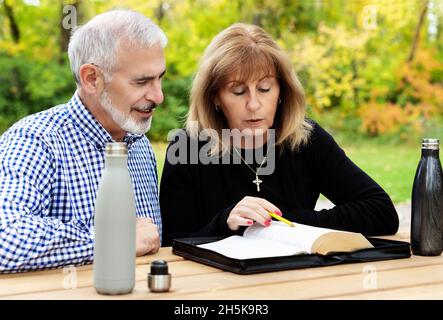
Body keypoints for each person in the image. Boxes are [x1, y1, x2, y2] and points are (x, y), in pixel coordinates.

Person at [160, 23, 399, 246]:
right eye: (238, 91)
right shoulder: (187, 148)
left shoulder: (307, 139)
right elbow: (173, 244)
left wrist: (281, 224)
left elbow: (381, 212)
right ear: (215, 97)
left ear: (282, 91)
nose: (254, 104)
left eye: (264, 88)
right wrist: (224, 223)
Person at [0, 9, 166, 273]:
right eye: (142, 81)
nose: (158, 96)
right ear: (92, 79)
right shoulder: (35, 140)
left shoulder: (139, 143)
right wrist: (113, 241)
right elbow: (6, 239)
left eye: (160, 78)